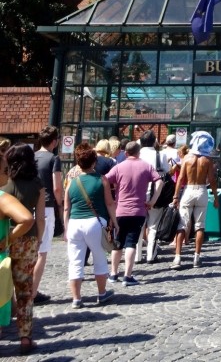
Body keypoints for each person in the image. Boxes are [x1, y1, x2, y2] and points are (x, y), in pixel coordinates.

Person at [64, 143, 118, 309]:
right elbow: (109, 203)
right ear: (94, 161)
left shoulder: (71, 182)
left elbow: (67, 207)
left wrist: (66, 229)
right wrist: (115, 222)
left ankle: (76, 299)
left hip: (74, 223)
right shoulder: (102, 180)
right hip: (94, 223)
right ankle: (102, 294)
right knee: (100, 258)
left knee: (75, 262)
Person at [4, 144, 44, 354]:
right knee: (24, 291)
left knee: (1, 288)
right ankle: (25, 336)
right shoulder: (37, 184)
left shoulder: (5, 185)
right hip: (28, 240)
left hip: (4, 239)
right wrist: (39, 240)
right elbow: (40, 219)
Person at [105, 141, 162, 286]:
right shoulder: (146, 166)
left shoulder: (119, 167)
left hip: (120, 210)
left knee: (118, 242)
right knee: (131, 243)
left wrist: (111, 196)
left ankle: (113, 274)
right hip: (138, 210)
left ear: (126, 153)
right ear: (139, 152)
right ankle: (128, 276)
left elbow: (104, 180)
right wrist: (153, 201)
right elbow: (160, 182)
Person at [171, 131, 219, 269]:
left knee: (182, 224)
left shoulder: (186, 158)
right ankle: (196, 257)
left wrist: (175, 196)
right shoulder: (207, 160)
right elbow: (212, 180)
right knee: (200, 225)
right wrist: (216, 197)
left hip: (189, 189)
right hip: (202, 190)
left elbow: (180, 179)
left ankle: (177, 257)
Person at [0, 155, 34, 347]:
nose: (8, 175)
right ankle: (25, 337)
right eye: (5, 171)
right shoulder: (2, 198)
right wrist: (10, 238)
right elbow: (27, 219)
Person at [33, 125, 63, 305]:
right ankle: (33, 292)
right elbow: (57, 186)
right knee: (42, 252)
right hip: (47, 206)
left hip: (29, 205)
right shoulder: (54, 159)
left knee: (30, 250)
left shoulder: (32, 156)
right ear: (54, 141)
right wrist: (60, 204)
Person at [136, 130, 163, 264]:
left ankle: (137, 256)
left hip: (138, 193)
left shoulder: (137, 155)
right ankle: (150, 255)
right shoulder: (160, 155)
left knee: (139, 225)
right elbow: (166, 172)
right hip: (155, 193)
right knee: (153, 225)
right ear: (154, 141)